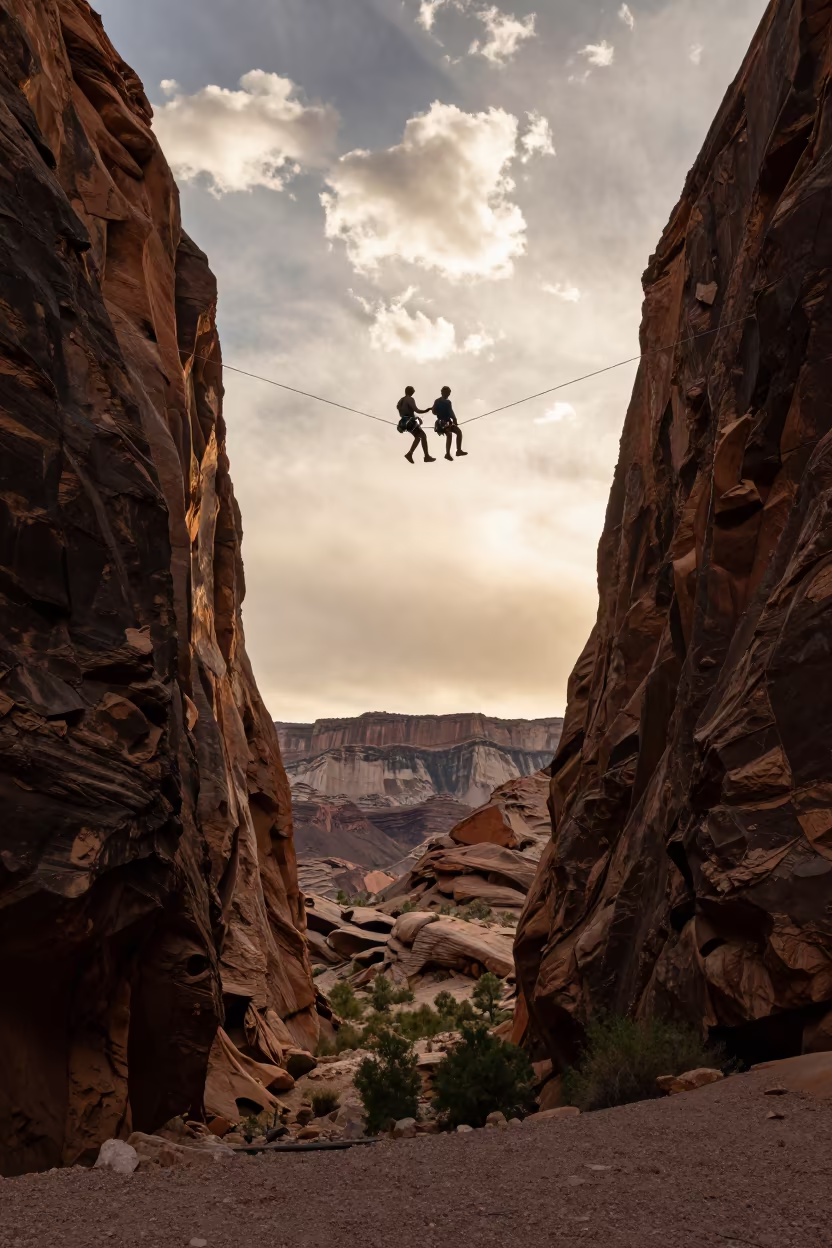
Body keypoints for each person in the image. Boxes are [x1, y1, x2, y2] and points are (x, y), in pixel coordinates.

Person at [397, 386, 436, 463]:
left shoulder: (401, 401)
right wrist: (426, 410)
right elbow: (416, 410)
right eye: (413, 391)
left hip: (404, 422)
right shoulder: (410, 399)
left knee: (418, 437)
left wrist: (416, 418)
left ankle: (409, 454)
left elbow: (404, 412)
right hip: (410, 421)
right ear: (410, 391)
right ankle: (426, 456)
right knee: (423, 436)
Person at [432, 386, 468, 460]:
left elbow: (451, 412)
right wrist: (439, 411)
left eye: (448, 393)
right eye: (446, 393)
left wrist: (455, 419)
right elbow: (434, 412)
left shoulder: (448, 402)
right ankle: (447, 454)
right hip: (441, 422)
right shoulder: (437, 401)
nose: (448, 395)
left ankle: (458, 450)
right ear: (442, 392)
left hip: (448, 422)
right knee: (449, 434)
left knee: (459, 432)